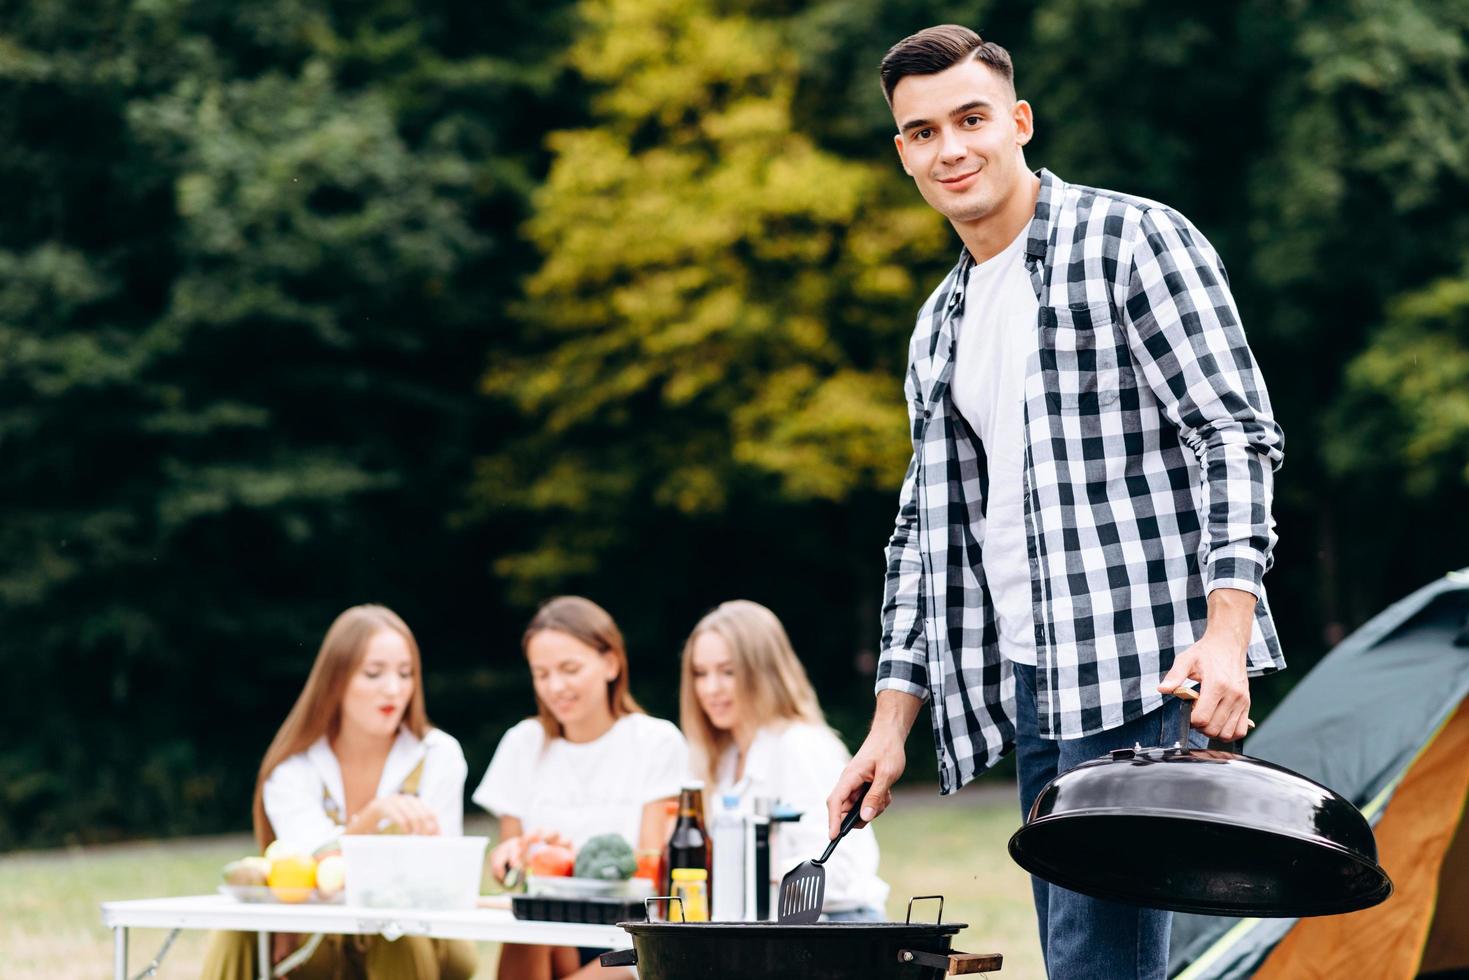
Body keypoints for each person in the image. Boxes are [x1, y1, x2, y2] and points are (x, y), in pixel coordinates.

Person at [824, 25, 1285, 980]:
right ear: (901, 153)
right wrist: (887, 728)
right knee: (1089, 962)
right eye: (921, 132)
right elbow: (924, 536)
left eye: (970, 119)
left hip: (1148, 674)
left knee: (1097, 966)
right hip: (1034, 682)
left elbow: (1232, 433)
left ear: (1019, 121)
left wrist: (1226, 633)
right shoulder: (939, 326)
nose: (950, 149)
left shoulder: (1130, 240)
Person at [200, 604, 476, 980]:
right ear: (336, 681)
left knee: (393, 927)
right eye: (374, 674)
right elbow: (314, 863)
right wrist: (377, 815)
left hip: (423, 936)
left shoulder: (437, 754)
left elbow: (438, 876)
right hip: (322, 938)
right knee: (236, 924)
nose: (394, 689)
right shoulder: (293, 768)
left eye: (406, 673)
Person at [473, 595, 687, 980]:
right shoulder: (523, 743)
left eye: (569, 669)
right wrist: (511, 860)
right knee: (533, 925)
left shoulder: (655, 741)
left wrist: (564, 862)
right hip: (546, 936)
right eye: (542, 674)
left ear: (610, 663)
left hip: (625, 937)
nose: (556, 687)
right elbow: (515, 884)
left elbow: (651, 872)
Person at [681, 600, 889, 920]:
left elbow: (841, 868)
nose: (711, 688)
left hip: (837, 928)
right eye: (700, 673)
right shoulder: (721, 760)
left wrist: (752, 865)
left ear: (764, 672)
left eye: (728, 671)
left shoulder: (802, 745)